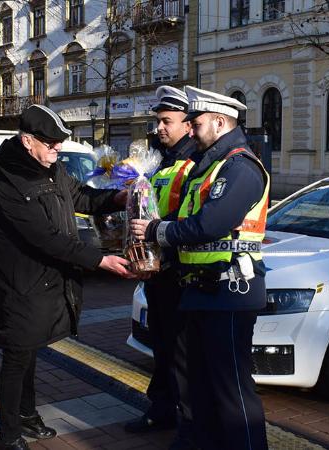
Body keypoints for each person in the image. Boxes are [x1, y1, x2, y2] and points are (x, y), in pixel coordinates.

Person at [0, 104, 136, 450]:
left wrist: (118, 197)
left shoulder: (49, 166)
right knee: (17, 355)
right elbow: (46, 239)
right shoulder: (7, 180)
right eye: (51, 144)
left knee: (30, 351)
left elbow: (79, 195)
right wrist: (101, 261)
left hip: (44, 281)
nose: (57, 149)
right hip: (18, 283)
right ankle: (8, 435)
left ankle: (27, 415)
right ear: (27, 141)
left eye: (59, 144)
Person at [130, 86, 270, 450]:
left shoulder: (240, 167)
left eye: (197, 122)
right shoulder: (213, 166)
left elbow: (210, 224)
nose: (191, 130)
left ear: (220, 122)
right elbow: (187, 216)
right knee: (200, 384)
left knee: (231, 389)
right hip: (202, 291)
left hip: (229, 291)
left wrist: (157, 230)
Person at [124, 86, 197, 447]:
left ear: (188, 123)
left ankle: (187, 422)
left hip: (181, 271)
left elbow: (189, 217)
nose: (160, 128)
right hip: (156, 270)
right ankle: (161, 408)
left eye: (167, 121)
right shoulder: (159, 160)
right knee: (164, 345)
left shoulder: (196, 161)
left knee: (182, 352)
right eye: (158, 121)